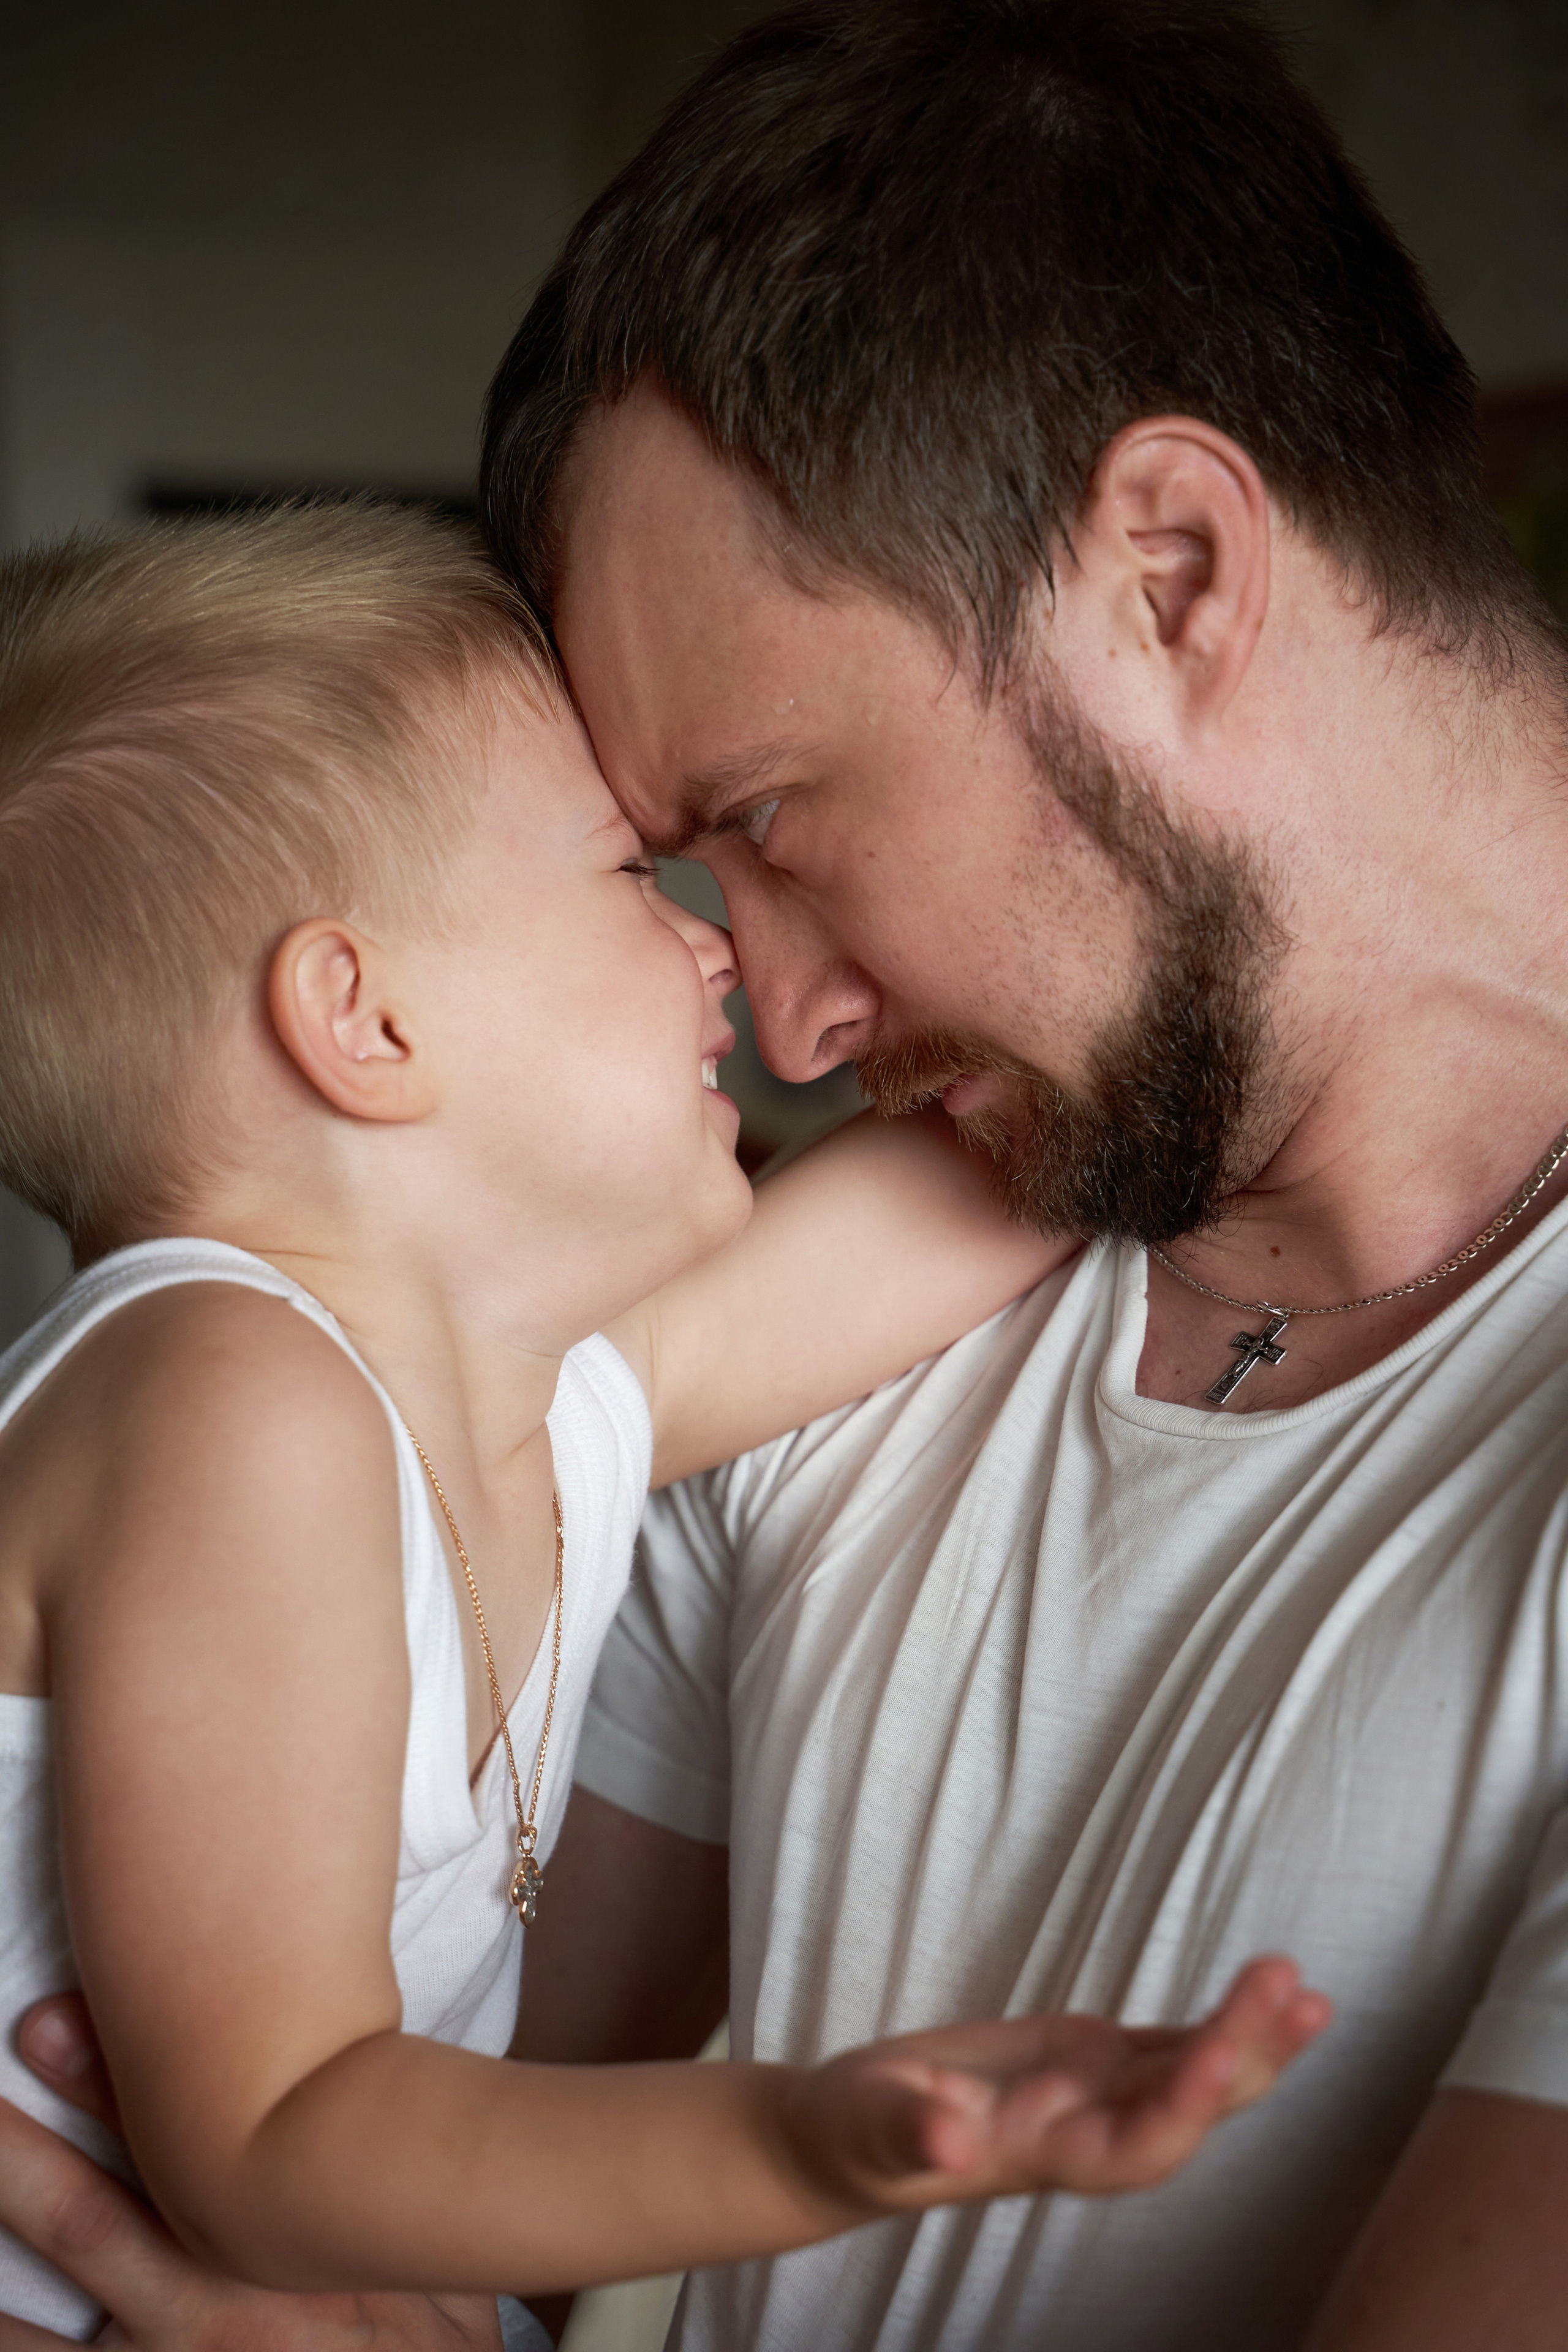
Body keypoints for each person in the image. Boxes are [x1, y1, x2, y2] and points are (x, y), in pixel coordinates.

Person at [5, 0, 1567, 2343]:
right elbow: (401, 2164)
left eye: (762, 818)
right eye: (661, 870)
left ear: (1166, 569)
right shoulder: (737, 1324)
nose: (794, 1019)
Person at [0, 502, 1324, 2345]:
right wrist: (819, 2138)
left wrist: (1218, 910)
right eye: (631, 875)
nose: (723, 956)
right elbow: (276, 2135)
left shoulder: (510, 1415)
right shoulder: (237, 1397)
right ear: (364, 1022)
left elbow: (999, 1162)